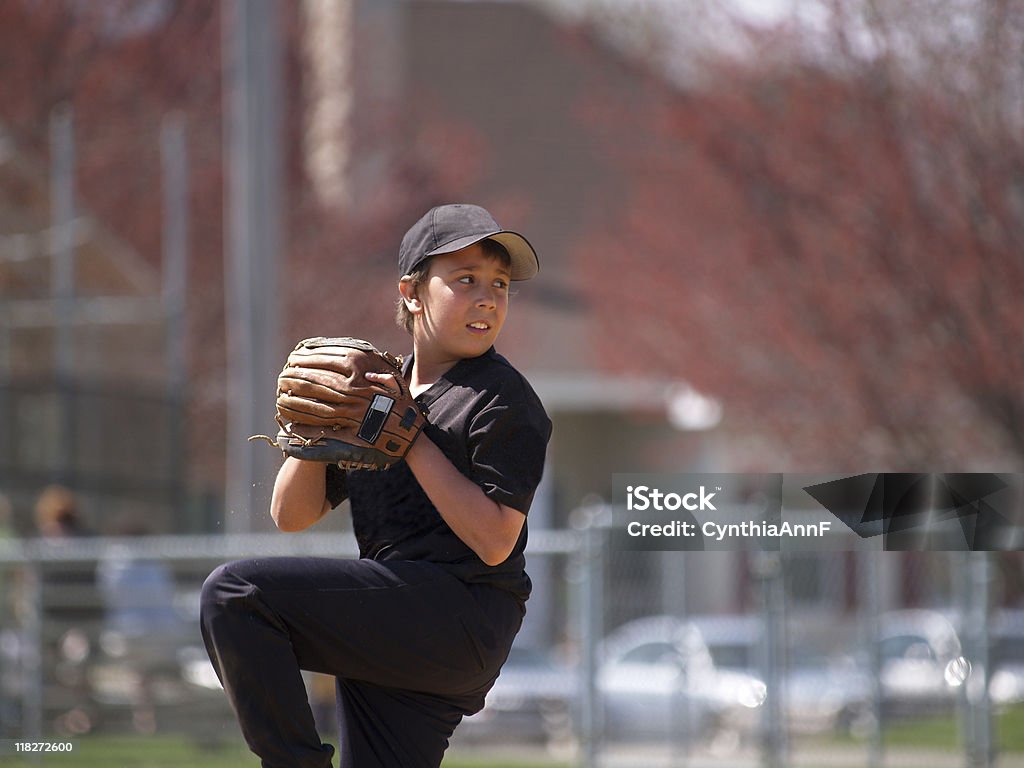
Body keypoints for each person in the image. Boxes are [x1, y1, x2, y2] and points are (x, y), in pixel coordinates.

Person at [201, 203, 552, 768]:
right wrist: (313, 434)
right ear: (411, 293)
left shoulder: (502, 399)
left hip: (458, 615)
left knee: (237, 595)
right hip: (392, 621)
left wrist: (412, 441)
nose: (488, 297)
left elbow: (494, 541)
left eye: (501, 284)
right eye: (465, 280)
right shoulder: (379, 396)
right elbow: (291, 516)